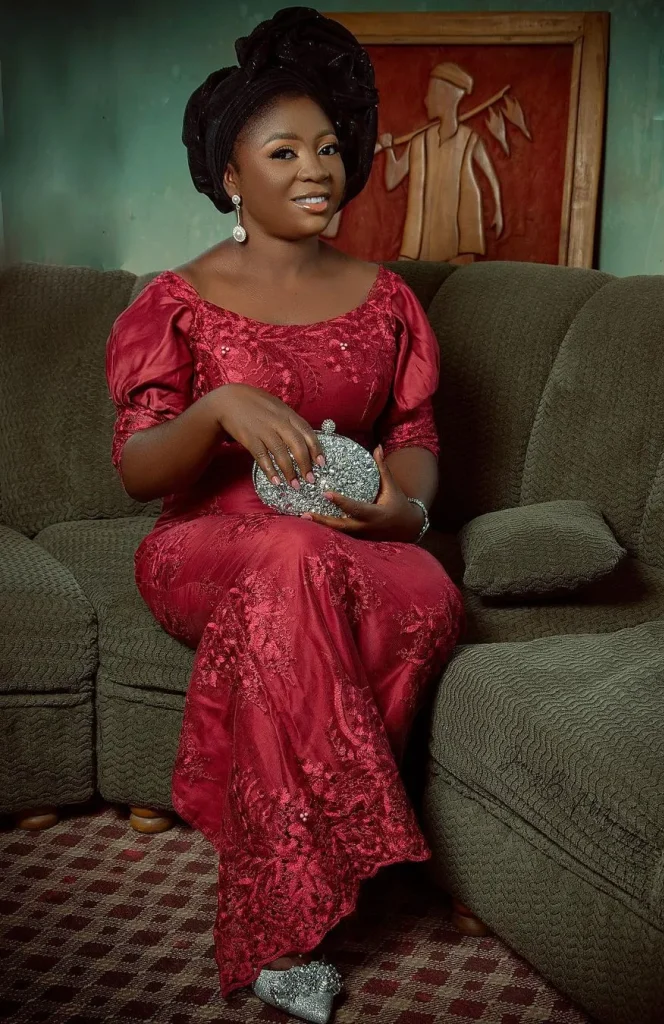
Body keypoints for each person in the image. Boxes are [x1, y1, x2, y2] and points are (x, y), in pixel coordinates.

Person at [104, 8, 465, 1022]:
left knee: (428, 588)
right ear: (230, 176)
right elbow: (138, 466)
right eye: (285, 151)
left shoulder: (388, 299)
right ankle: (280, 931)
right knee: (289, 571)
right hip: (210, 546)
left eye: (329, 147)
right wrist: (219, 408)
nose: (317, 168)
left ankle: (313, 845)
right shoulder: (175, 299)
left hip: (355, 543)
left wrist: (404, 509)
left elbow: (417, 435)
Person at [379, 62, 504, 264]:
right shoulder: (419, 142)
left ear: (446, 97)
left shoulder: (468, 140)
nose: (426, 100)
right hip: (421, 241)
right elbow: (393, 179)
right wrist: (388, 150)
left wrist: (498, 209)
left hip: (458, 238)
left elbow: (491, 176)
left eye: (432, 94)